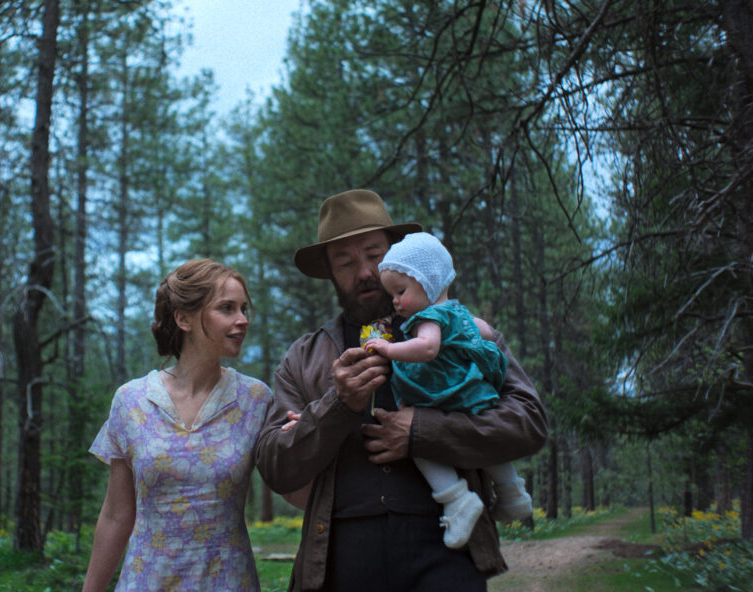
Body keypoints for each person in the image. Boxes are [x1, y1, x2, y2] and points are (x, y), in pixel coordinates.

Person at [255, 189, 547, 592]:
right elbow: (275, 466)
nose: (365, 272)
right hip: (338, 562)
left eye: (374, 255)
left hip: (447, 554)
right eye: (345, 262)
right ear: (330, 272)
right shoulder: (303, 359)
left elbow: (529, 423)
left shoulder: (457, 328)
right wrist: (337, 404)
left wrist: (421, 432)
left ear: (396, 253)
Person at [82, 259, 272, 592]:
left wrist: (316, 427)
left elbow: (297, 485)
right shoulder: (132, 401)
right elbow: (115, 515)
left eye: (244, 309)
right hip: (146, 582)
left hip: (227, 582)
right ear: (183, 318)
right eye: (227, 308)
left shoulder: (256, 399)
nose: (242, 321)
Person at [361, 231, 533, 549]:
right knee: (488, 444)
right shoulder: (460, 312)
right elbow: (484, 333)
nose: (396, 301)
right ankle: (512, 493)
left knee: (418, 441)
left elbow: (427, 349)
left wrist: (387, 350)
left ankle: (456, 499)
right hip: (474, 392)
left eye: (400, 291)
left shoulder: (427, 319)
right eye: (392, 295)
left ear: (430, 281)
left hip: (441, 394)